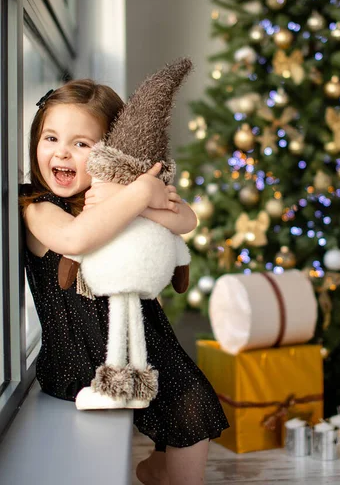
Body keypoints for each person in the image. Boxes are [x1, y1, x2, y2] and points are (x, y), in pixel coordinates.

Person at [19, 80, 229, 485]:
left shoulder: (109, 197)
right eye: (51, 137)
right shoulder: (38, 208)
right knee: (183, 402)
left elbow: (187, 219)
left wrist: (136, 192)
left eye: (82, 144)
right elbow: (77, 238)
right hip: (80, 357)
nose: (62, 151)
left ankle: (163, 471)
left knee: (195, 401)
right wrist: (141, 194)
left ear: (111, 152)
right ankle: (164, 473)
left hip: (144, 342)